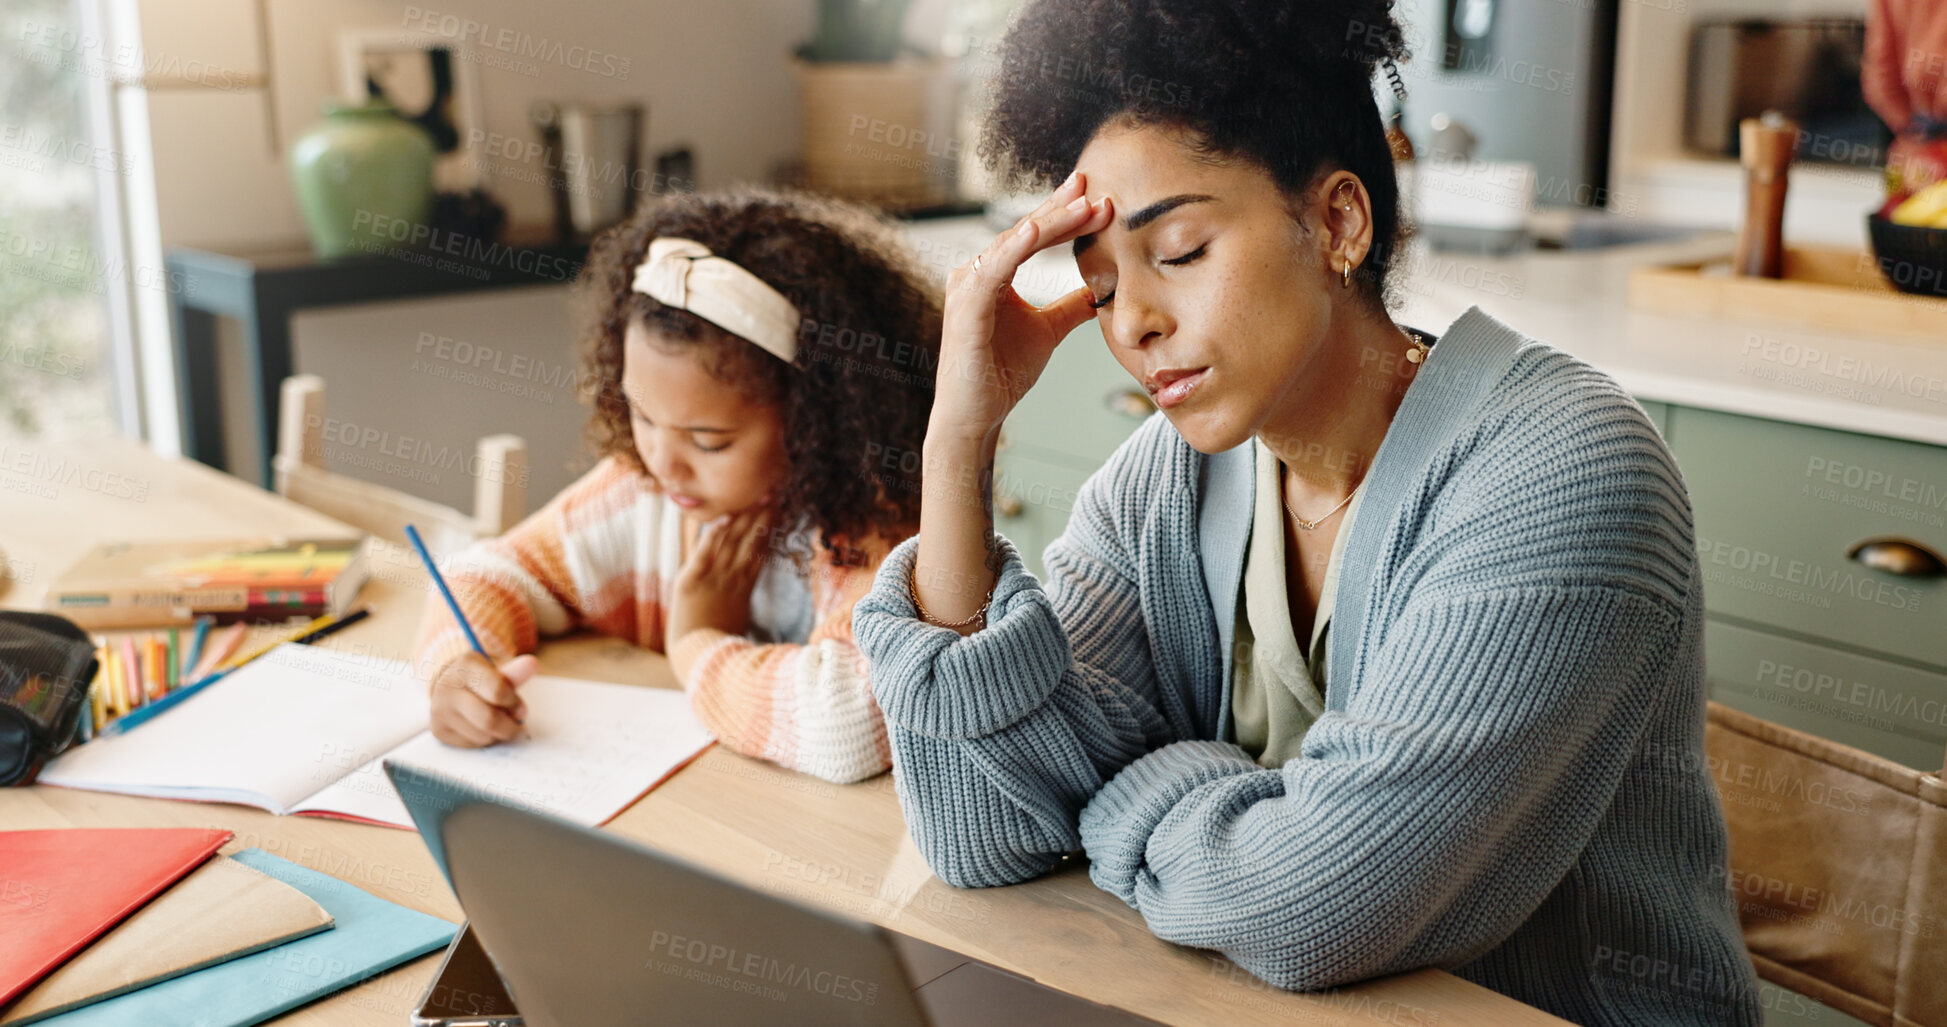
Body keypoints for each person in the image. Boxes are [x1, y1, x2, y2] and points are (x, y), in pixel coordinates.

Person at [851, 1, 1763, 1022]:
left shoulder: (1565, 470)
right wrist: (957, 442)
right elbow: (985, 834)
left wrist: (1134, 787)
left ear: (1336, 222)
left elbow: (1309, 910)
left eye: (1183, 250)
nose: (1138, 321)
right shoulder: (1162, 480)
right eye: (1103, 290)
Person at [413, 187, 940, 784]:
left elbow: (853, 721)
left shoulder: (883, 530)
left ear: (822, 419)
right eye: (640, 415)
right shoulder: (643, 491)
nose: (663, 462)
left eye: (709, 440)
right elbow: (487, 574)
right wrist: (456, 671)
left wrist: (695, 639)